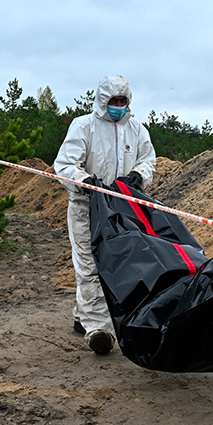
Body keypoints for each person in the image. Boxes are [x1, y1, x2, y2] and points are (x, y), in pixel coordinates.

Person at [54, 75, 156, 355]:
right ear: (102, 101)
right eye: (113, 101)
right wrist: (86, 182)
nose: (118, 106)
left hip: (122, 209)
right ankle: (99, 329)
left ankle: (82, 313)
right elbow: (64, 164)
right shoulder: (84, 126)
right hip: (86, 207)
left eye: (123, 101)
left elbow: (148, 159)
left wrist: (139, 176)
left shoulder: (136, 129)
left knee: (116, 265)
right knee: (89, 264)